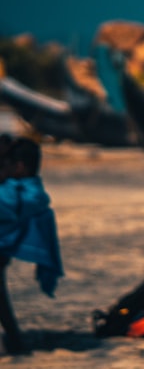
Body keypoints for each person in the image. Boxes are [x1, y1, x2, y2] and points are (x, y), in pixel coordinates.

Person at [0, 136, 62, 355]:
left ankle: (16, 343)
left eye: (4, 164)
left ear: (19, 167)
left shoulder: (21, 192)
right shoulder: (20, 189)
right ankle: (16, 343)